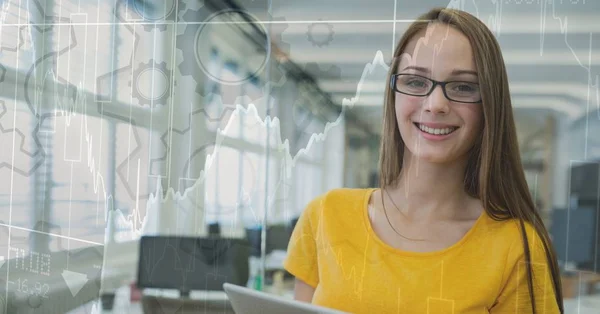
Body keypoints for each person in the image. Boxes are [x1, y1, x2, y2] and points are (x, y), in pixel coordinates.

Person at [283, 7, 563, 314]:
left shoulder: (517, 247)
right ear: (394, 95)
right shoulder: (325, 216)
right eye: (416, 82)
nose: (436, 104)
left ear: (489, 107)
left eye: (463, 87)